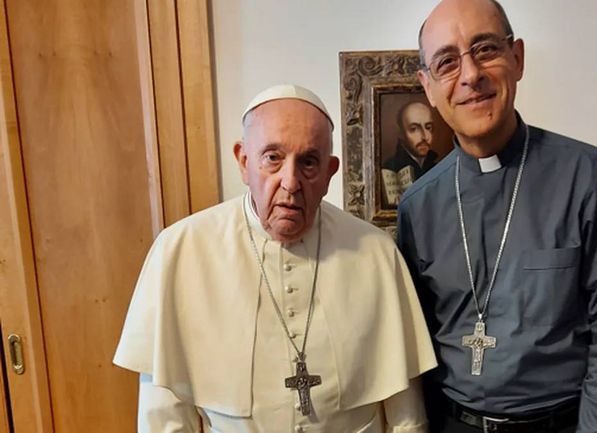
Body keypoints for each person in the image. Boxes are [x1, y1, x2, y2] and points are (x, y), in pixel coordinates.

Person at [114, 84, 437, 432]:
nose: (290, 181)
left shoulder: (375, 253)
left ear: (330, 172)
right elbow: (163, 417)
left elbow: (406, 414)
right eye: (273, 157)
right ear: (243, 160)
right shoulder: (179, 252)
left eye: (309, 162)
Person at [396, 1, 597, 432]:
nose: (471, 75)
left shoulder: (587, 176)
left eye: (486, 49)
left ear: (518, 59)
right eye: (447, 63)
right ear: (429, 87)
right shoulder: (417, 206)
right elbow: (414, 348)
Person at [383, 101, 439, 178]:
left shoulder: (438, 167)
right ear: (401, 134)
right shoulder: (389, 170)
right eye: (414, 129)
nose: (424, 137)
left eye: (428, 127)